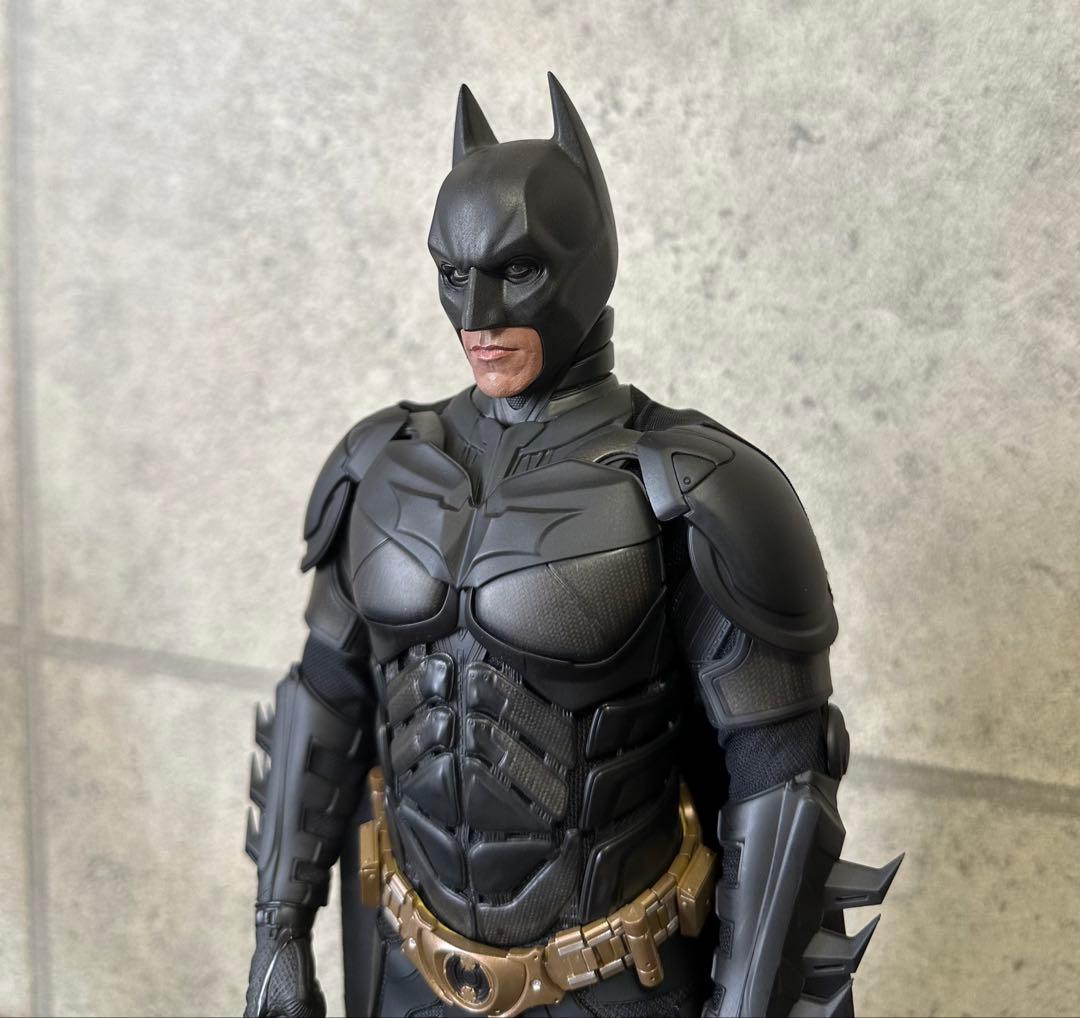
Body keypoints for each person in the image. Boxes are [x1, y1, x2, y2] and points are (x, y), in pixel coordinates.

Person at [243, 74, 901, 1018]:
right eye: (452, 274)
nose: (476, 314)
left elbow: (782, 780)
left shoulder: (693, 488)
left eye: (516, 271)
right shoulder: (379, 464)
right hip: (408, 972)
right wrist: (278, 934)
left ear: (588, 263)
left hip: (619, 985)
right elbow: (325, 702)